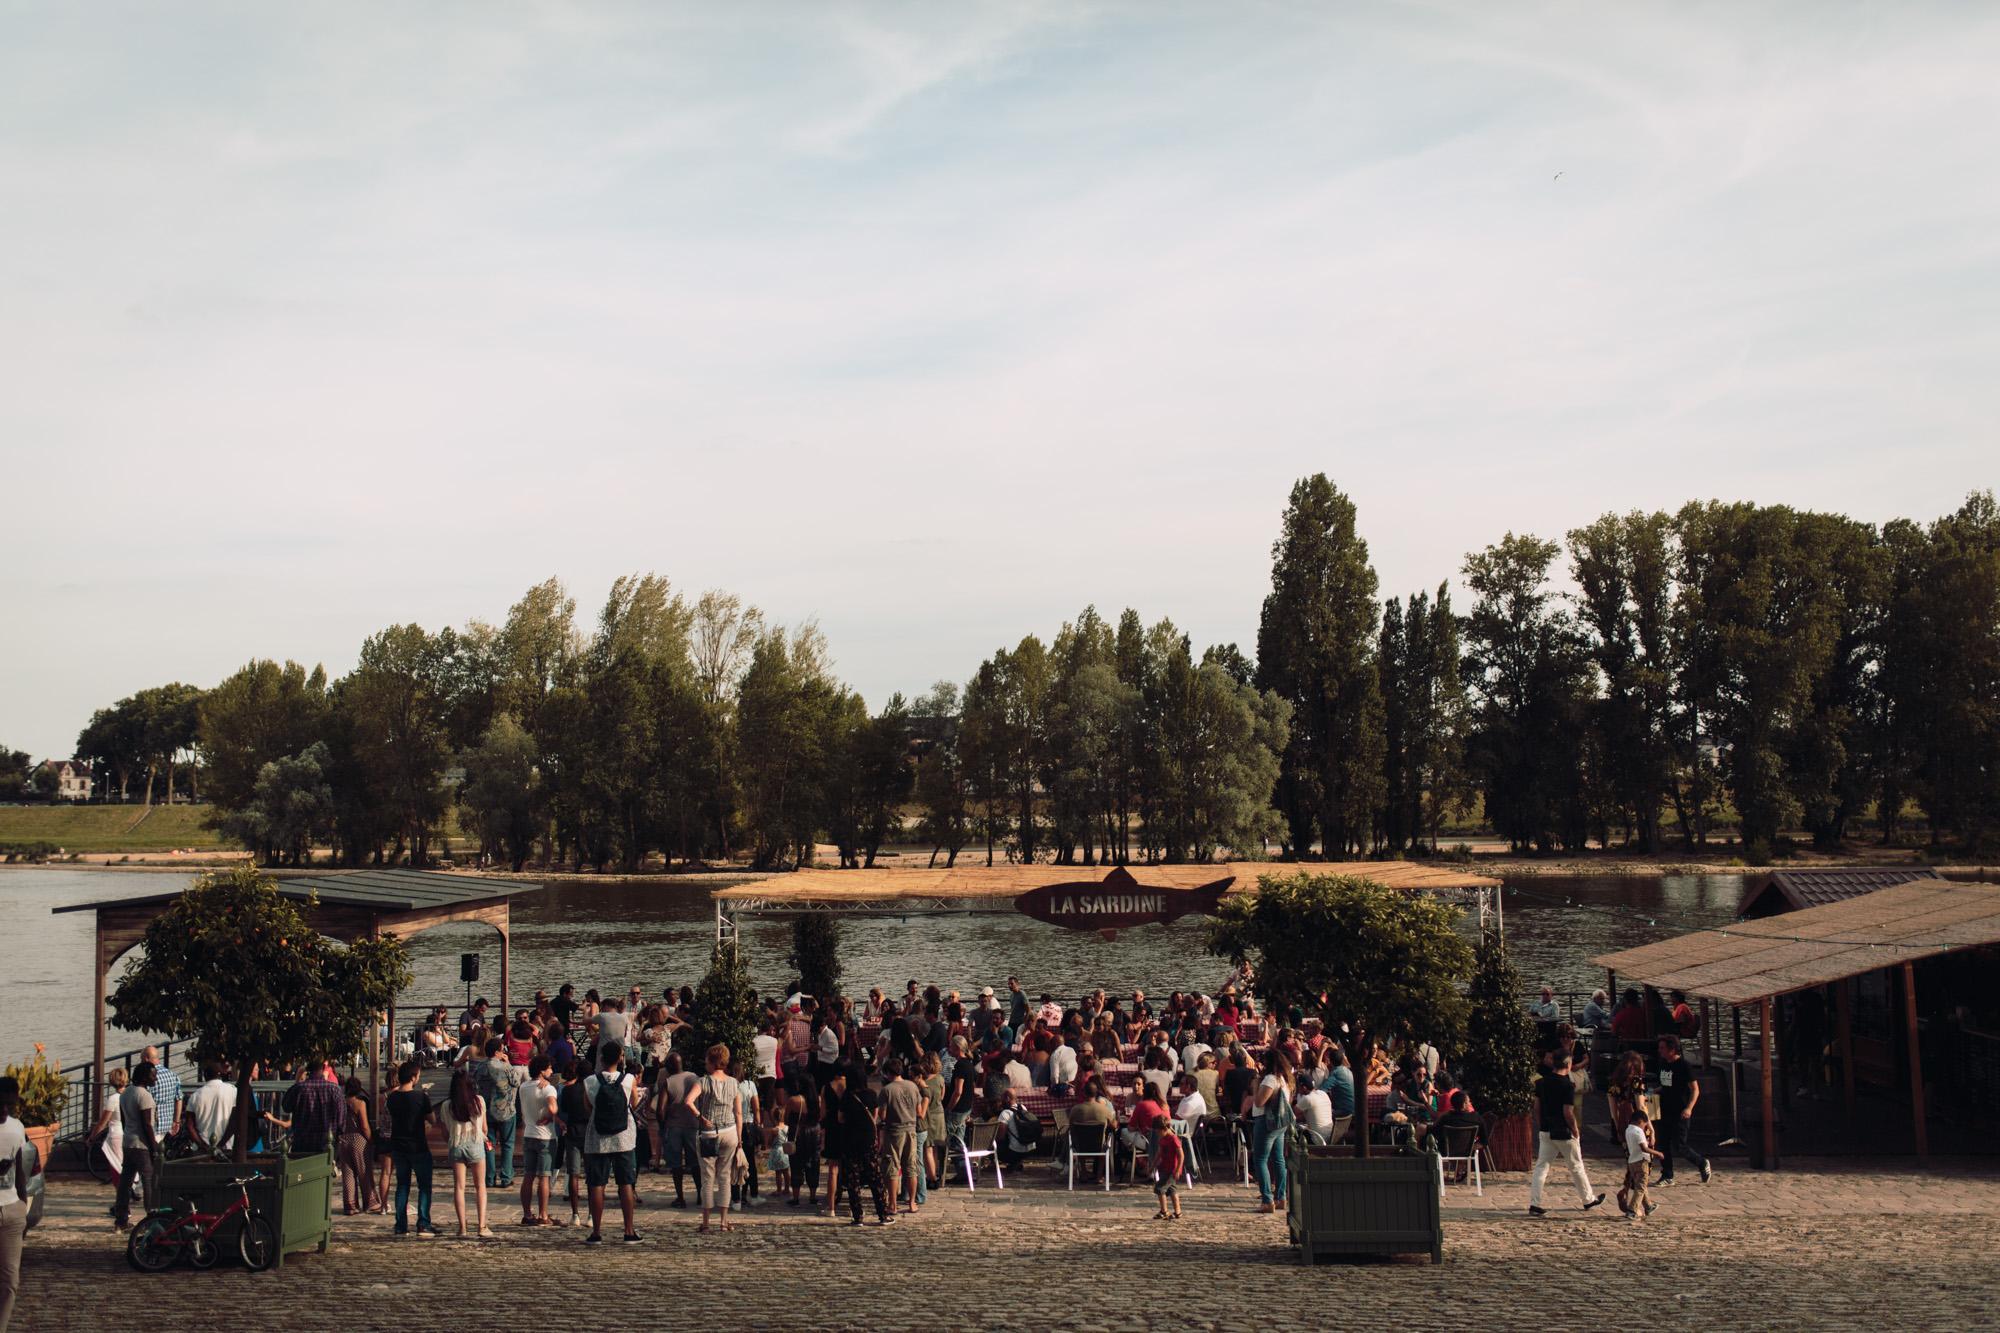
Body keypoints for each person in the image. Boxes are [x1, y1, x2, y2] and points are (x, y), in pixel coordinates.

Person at [1527, 1051, 1605, 1216]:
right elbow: (1568, 1112)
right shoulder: (1567, 1085)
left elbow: (1536, 1108)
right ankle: (1588, 1199)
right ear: (1568, 1065)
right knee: (1576, 1166)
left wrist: (1542, 1125)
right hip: (1564, 1131)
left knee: (1541, 1167)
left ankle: (1535, 1203)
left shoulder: (1541, 1082)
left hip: (1546, 1129)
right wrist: (1575, 1130)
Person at [583, 1044, 643, 1244]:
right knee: (625, 1183)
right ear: (620, 1057)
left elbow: (588, 1107)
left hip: (597, 1138)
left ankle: (597, 1232)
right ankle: (629, 1229)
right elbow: (633, 1103)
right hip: (624, 1137)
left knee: (597, 1184)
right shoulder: (629, 1080)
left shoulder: (590, 1081)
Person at [689, 1044, 740, 1234]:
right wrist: (740, 1138)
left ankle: (706, 1222)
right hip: (730, 1131)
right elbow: (739, 1113)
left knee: (708, 1178)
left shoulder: (703, 1082)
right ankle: (724, 1221)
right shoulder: (734, 1083)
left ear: (711, 1061)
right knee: (724, 1176)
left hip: (709, 1133)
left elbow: (688, 1101)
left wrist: (699, 1116)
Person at [385, 1060, 439, 1237]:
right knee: (424, 1186)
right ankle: (423, 1223)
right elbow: (432, 1120)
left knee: (402, 1185)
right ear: (414, 1077)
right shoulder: (421, 1098)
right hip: (418, 1145)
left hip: (398, 1145)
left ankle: (401, 1225)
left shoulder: (392, 1098)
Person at [831, 1066, 891, 1226]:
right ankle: (883, 1214)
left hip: (850, 1141)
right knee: (875, 1179)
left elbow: (840, 1118)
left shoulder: (847, 1097)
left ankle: (858, 1216)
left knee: (853, 1180)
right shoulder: (871, 1095)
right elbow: (875, 1116)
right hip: (868, 1140)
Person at [1655, 1035, 1713, 1185]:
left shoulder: (1683, 1066)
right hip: (1664, 1109)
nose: (1659, 1051)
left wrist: (1689, 1108)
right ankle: (1667, 1175)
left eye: (1662, 1048)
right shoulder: (1663, 1064)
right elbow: (1665, 1085)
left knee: (1680, 1146)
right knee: (1663, 1143)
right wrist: (1653, 1091)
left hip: (1679, 1110)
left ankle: (1701, 1162)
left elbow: (1695, 1089)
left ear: (1672, 1049)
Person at [444, 1069, 494, 1239]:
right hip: (475, 1143)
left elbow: (446, 1131)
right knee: (480, 1186)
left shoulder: (447, 1105)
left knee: (459, 1187)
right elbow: (485, 1128)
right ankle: (481, 1226)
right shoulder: (478, 1101)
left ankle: (462, 1227)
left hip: (456, 1144)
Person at [474, 1038, 527, 1190]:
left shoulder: (481, 1067)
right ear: (497, 1052)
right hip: (506, 1110)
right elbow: (516, 1081)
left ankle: (489, 1177)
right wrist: (508, 1062)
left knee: (489, 1144)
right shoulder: (504, 1067)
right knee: (507, 1145)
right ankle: (506, 1176)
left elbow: (475, 1084)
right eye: (502, 1050)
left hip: (486, 1112)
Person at [113, 1061, 161, 1230]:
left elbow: (125, 1120)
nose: (155, 1077)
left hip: (128, 1142)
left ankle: (120, 1220)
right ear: (144, 1076)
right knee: (148, 1180)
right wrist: (154, 1146)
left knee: (125, 1182)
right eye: (153, 1074)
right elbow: (147, 1124)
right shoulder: (145, 1095)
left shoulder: (126, 1093)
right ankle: (151, 1219)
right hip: (141, 1144)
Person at [1248, 1049, 1294, 1214]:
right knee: (1278, 1159)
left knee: (1260, 1159)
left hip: (1266, 1122)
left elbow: (1259, 1102)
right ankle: (1281, 1197)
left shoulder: (1270, 1079)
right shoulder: (1284, 1079)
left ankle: (1267, 1200)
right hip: (1280, 1123)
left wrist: (1255, 1087)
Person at [0, 1077, 29, 1330]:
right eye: (1, 1104)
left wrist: (24, 1206)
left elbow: (20, 1171)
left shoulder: (17, 1127)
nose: (5, 1110)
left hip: (12, 1209)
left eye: (10, 1105)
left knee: (11, 1280)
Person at [517, 1055, 559, 1227]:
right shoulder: (548, 1089)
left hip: (528, 1133)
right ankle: (543, 1214)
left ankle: (527, 1214)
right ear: (542, 1071)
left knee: (528, 1175)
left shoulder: (523, 1087)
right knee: (544, 1177)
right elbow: (552, 1107)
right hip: (545, 1136)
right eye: (549, 1068)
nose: (552, 1071)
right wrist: (550, 1116)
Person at [879, 1058, 923, 1214]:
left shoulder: (887, 1090)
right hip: (911, 1130)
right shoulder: (912, 1086)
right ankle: (912, 1203)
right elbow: (919, 1111)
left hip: (894, 1131)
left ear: (888, 1073)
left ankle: (892, 1204)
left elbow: (883, 1115)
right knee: (911, 1167)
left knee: (892, 1167)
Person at [657, 1053, 700, 1207]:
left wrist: (662, 1127)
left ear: (668, 1067)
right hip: (693, 1125)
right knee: (695, 1162)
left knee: (676, 1164)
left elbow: (660, 1110)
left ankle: (680, 1197)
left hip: (674, 1126)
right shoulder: (694, 1077)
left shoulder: (668, 1082)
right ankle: (700, 1194)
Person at [284, 1060, 345, 1157]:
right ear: (322, 1070)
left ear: (308, 1071)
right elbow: (341, 1119)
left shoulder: (298, 1088)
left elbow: (286, 1107)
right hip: (327, 1142)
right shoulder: (335, 1089)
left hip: (302, 1141)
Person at [337, 1076, 376, 1216]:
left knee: (348, 1174)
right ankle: (370, 1202)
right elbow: (364, 1126)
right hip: (358, 1139)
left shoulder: (340, 1102)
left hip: (343, 1139)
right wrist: (371, 1140)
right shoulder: (359, 1103)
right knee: (364, 1172)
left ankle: (350, 1205)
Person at [184, 1061, 237, 1158]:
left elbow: (189, 1125)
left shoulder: (195, 1096)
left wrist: (203, 1145)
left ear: (204, 1076)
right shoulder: (232, 1090)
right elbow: (234, 1121)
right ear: (219, 1074)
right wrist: (221, 1144)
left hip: (202, 1149)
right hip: (226, 1146)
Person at [1619, 1104, 1662, 1221]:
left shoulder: (1628, 1130)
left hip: (1632, 1161)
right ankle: (1632, 1210)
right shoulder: (1638, 1131)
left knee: (1640, 1185)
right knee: (1641, 1187)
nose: (1645, 1127)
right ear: (1640, 1121)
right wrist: (1657, 1153)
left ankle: (1649, 1206)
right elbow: (1644, 1148)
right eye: (1645, 1124)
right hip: (1641, 1161)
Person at [89, 1067, 128, 1187]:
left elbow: (103, 1122)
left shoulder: (113, 1099)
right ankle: (132, 1189)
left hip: (116, 1134)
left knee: (116, 1166)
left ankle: (120, 1195)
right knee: (129, 1165)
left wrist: (92, 1137)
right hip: (130, 1132)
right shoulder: (131, 1095)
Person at [142, 1047, 181, 1151]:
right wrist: (176, 1121)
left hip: (151, 1126)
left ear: (146, 1059)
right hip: (167, 1125)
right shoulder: (173, 1075)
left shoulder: (148, 1077)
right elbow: (179, 1099)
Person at [1150, 1112, 1186, 1222]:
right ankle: (1178, 1211)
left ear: (1165, 1128)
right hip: (1164, 1168)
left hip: (1171, 1170)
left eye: (1158, 1131)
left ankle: (1164, 1211)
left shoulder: (1173, 1139)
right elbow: (1159, 1153)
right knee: (1172, 1190)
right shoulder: (1162, 1139)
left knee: (1159, 1188)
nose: (1157, 1134)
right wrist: (1153, 1165)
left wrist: (1178, 1169)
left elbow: (1181, 1155)